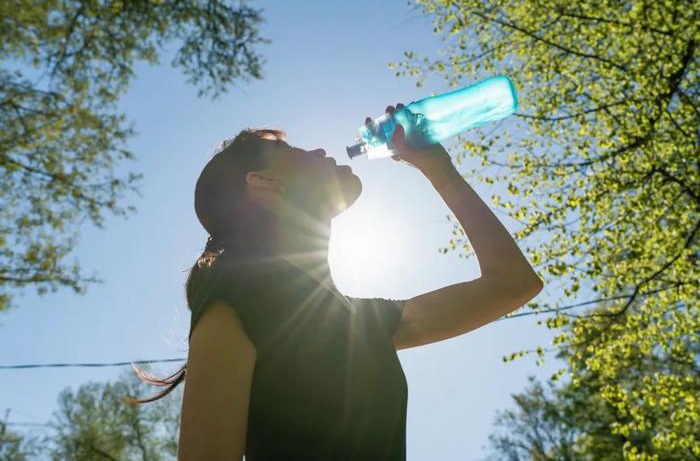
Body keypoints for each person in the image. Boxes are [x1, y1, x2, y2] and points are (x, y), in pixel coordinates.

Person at [129, 103, 543, 460]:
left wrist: (438, 168)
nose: (320, 150)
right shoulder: (233, 293)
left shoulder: (365, 322)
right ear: (263, 183)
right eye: (290, 150)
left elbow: (513, 283)